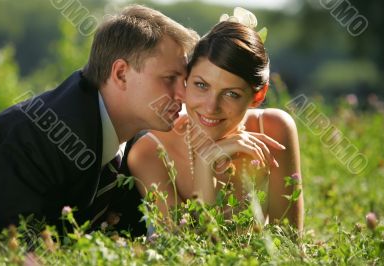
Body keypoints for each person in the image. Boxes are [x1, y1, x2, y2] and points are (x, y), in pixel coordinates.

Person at [0, 5, 198, 235]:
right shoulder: (40, 138)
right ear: (121, 73)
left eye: (186, 80)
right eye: (170, 78)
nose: (184, 94)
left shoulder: (137, 140)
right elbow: (24, 250)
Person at [128, 8, 304, 230]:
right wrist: (204, 164)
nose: (211, 107)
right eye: (201, 85)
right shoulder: (149, 153)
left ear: (258, 96)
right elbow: (192, 254)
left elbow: (288, 244)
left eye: (232, 94)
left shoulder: (274, 129)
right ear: (185, 81)